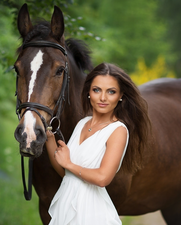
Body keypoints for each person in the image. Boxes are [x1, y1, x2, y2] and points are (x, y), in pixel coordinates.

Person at [45, 63, 151, 225]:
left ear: (121, 96)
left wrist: (69, 163)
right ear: (88, 92)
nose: (103, 98)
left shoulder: (118, 130)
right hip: (66, 209)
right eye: (97, 90)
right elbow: (67, 174)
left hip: (92, 214)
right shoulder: (82, 123)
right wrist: (49, 139)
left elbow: (102, 178)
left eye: (111, 92)